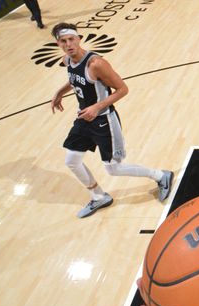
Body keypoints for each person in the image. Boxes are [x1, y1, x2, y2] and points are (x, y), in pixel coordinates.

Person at [49, 22, 174, 218]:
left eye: (72, 39)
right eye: (63, 41)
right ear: (58, 44)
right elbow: (74, 79)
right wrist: (59, 92)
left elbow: (123, 89)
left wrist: (97, 107)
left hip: (104, 120)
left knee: (113, 168)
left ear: (79, 39)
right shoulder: (67, 61)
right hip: (84, 119)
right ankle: (99, 197)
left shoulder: (96, 64)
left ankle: (160, 176)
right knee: (72, 160)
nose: (68, 44)